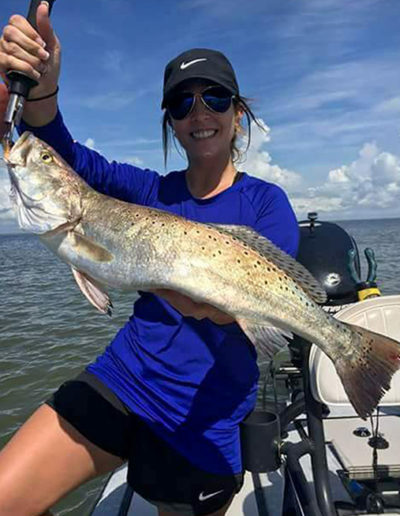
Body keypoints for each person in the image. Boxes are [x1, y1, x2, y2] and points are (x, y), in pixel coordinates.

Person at [0, 3, 299, 516]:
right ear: (171, 123)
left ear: (238, 113)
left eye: (215, 98)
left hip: (202, 417)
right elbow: (66, 153)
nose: (199, 113)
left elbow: (247, 312)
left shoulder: (267, 204)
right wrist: (43, 89)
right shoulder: (148, 191)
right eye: (182, 103)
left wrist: (190, 293)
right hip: (123, 378)